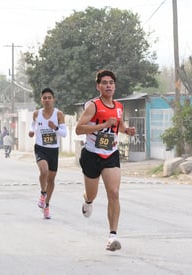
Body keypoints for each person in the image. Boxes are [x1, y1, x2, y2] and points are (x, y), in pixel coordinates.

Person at [75, 69, 136, 251]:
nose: (108, 85)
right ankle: (87, 200)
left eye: (111, 82)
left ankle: (112, 237)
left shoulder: (119, 106)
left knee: (114, 192)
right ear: (98, 86)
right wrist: (103, 125)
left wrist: (127, 130)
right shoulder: (93, 106)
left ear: (115, 86)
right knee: (92, 194)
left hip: (111, 154)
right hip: (92, 154)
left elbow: (119, 125)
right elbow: (79, 129)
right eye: (104, 83)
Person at [28, 88, 67, 219]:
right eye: (44, 98)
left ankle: (47, 205)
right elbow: (33, 125)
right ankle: (43, 194)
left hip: (53, 149)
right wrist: (32, 131)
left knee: (51, 179)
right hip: (40, 147)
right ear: (41, 100)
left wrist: (54, 127)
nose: (47, 100)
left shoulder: (59, 114)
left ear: (53, 99)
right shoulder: (36, 113)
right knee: (44, 171)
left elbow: (64, 133)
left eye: (49, 98)